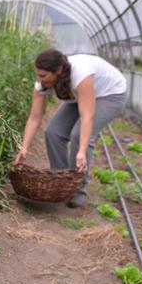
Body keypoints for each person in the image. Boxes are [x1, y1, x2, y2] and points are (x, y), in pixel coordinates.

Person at [14, 48, 127, 208]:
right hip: (80, 97)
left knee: (78, 136)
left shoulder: (81, 74)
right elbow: (34, 117)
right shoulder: (42, 84)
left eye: (43, 75)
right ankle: (61, 182)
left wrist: (81, 152)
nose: (40, 79)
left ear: (58, 70)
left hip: (110, 95)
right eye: (38, 74)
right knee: (53, 132)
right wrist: (24, 148)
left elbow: (88, 117)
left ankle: (78, 190)